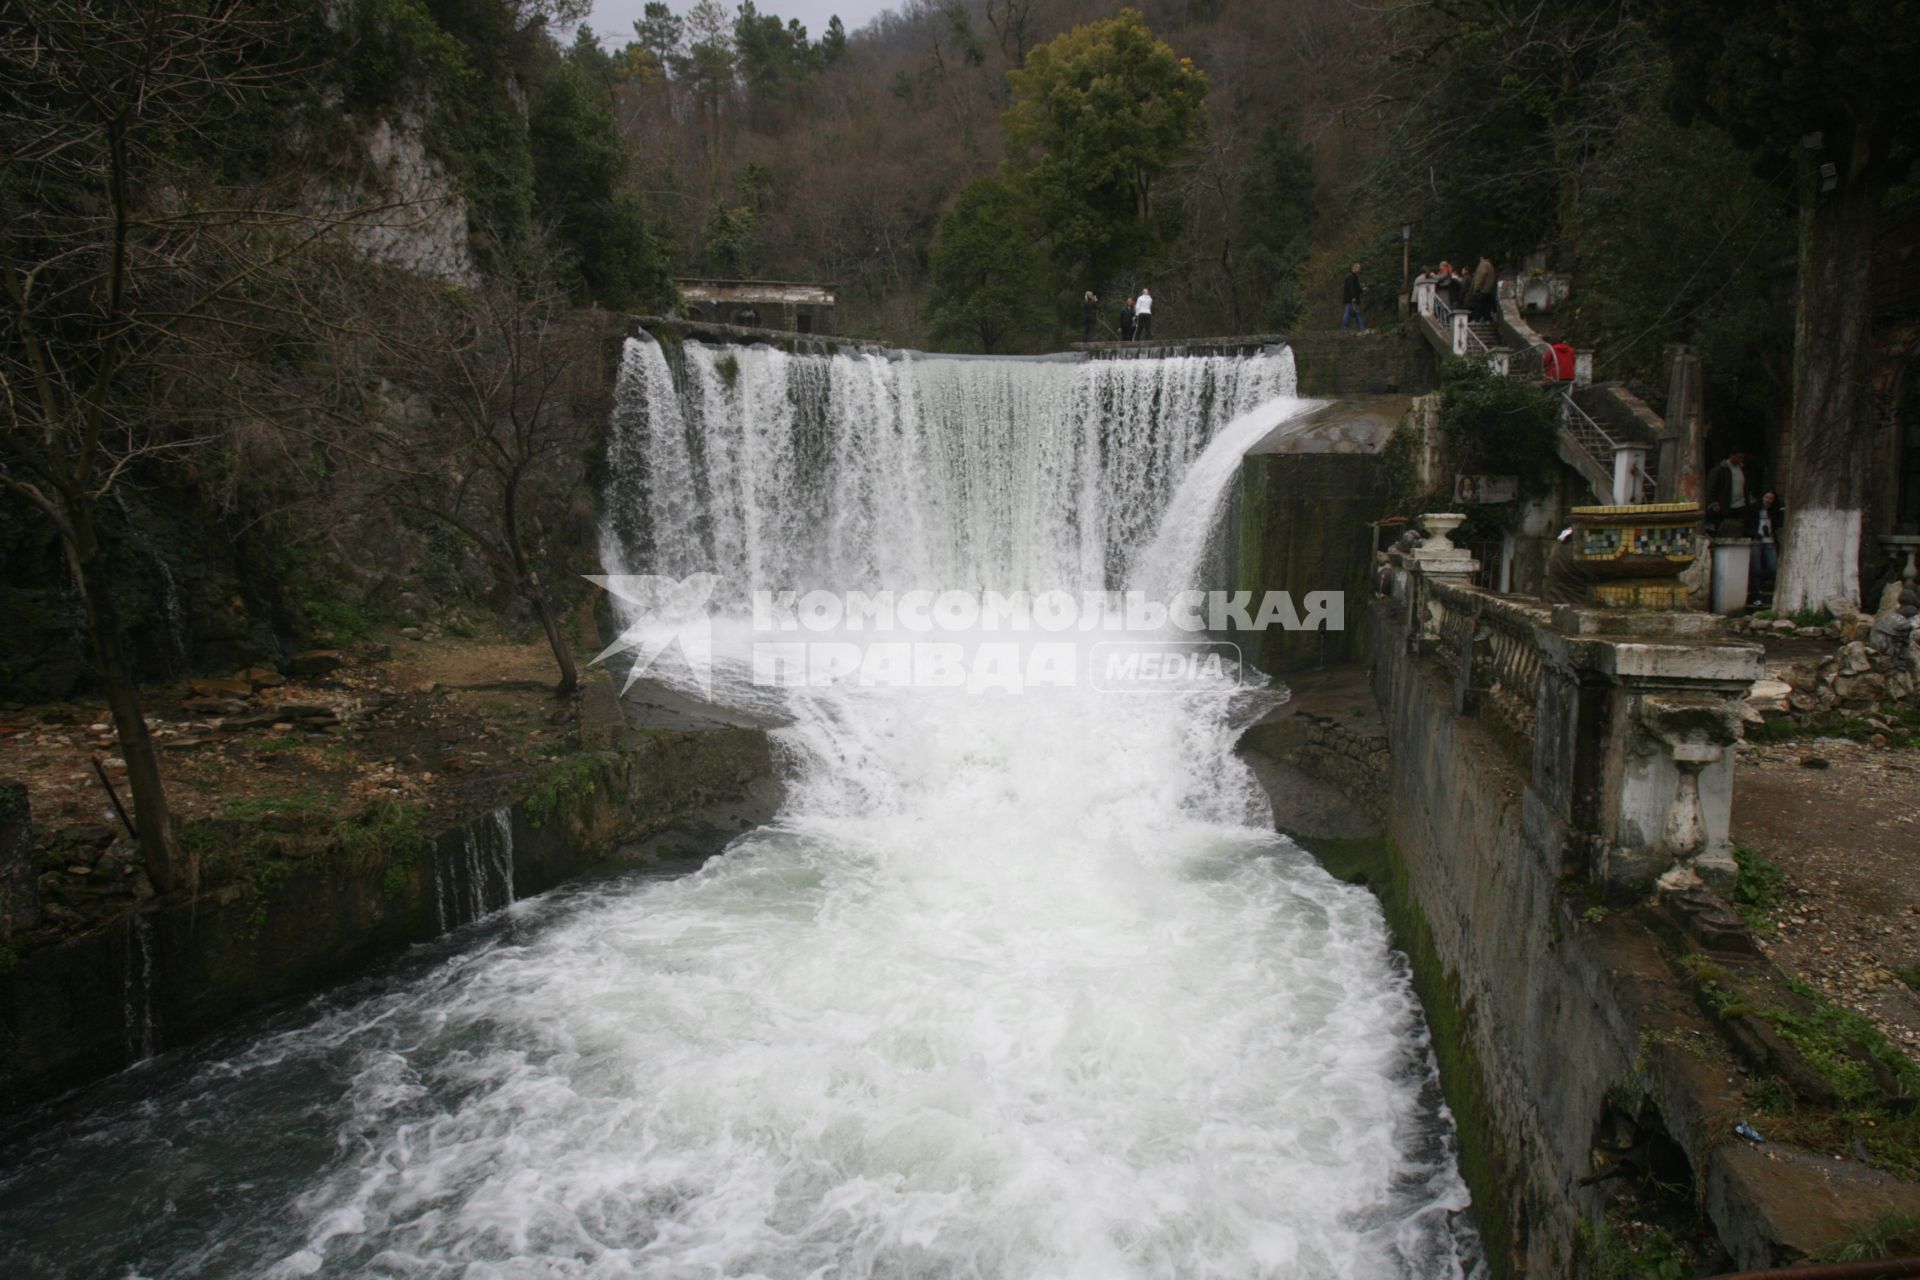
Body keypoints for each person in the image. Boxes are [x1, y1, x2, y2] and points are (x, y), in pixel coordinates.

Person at [1705, 449, 1755, 535]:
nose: (1740, 460)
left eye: (1742, 458)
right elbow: (1711, 487)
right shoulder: (1720, 469)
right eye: (1738, 457)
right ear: (1732, 455)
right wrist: (1714, 503)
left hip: (1741, 503)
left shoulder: (1743, 469)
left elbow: (1746, 485)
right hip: (1725, 504)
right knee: (1724, 527)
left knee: (1740, 526)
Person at [1749, 490, 1784, 604]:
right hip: (1756, 541)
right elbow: (1746, 526)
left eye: (1771, 499)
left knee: (1773, 568)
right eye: (1766, 497)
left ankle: (1763, 585)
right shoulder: (1753, 509)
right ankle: (1756, 596)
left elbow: (1778, 525)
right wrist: (1755, 534)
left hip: (1770, 542)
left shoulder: (1774, 512)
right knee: (1755, 569)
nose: (1768, 501)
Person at [1468, 255, 1496, 323]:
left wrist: (1477, 288)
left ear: (1481, 258)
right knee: (1486, 306)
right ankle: (1487, 319)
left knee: (1479, 304)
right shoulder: (1490, 265)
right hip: (1489, 289)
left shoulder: (1483, 264)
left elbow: (1481, 276)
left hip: (1482, 289)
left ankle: (1475, 319)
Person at [1341, 262, 1365, 329]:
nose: (1360, 270)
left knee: (1357, 313)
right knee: (1348, 313)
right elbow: (1352, 288)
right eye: (1359, 268)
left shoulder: (1354, 276)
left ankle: (1361, 327)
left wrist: (1363, 290)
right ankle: (1345, 327)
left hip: (1352, 299)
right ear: (1355, 268)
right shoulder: (1351, 276)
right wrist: (1353, 297)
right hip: (1350, 299)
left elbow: (1356, 288)